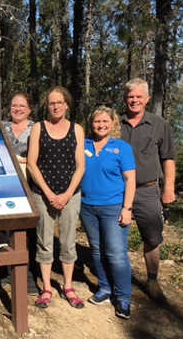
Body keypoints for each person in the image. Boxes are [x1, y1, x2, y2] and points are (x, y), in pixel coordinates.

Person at [27, 86, 85, 309]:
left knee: (69, 241)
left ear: (67, 105)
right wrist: (49, 193)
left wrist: (67, 193)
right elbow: (32, 163)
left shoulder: (77, 129)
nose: (55, 106)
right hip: (43, 194)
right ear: (47, 105)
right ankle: (47, 288)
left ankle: (68, 287)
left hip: (70, 194)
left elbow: (80, 166)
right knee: (44, 241)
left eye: (59, 102)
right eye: (52, 102)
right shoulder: (38, 128)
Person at [120, 78, 176, 302]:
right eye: (130, 97)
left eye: (138, 97)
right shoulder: (116, 123)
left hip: (148, 190)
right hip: (119, 190)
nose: (134, 101)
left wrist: (169, 188)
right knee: (115, 237)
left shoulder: (159, 124)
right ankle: (117, 279)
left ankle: (152, 280)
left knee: (153, 237)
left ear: (147, 99)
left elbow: (168, 157)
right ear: (126, 99)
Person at [81, 106, 136, 319]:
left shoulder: (121, 147)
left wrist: (127, 208)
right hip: (87, 206)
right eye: (97, 122)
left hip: (113, 206)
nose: (101, 125)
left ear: (113, 124)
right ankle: (104, 288)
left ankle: (123, 297)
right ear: (91, 124)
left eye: (105, 121)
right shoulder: (84, 144)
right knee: (96, 250)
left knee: (116, 253)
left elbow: (130, 179)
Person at [2, 92, 38, 295]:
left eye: (22, 106)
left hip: (31, 187)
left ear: (29, 109)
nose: (17, 109)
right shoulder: (2, 127)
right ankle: (8, 272)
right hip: (7, 188)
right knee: (8, 231)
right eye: (14, 105)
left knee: (29, 232)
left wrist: (22, 161)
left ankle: (29, 274)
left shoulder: (36, 129)